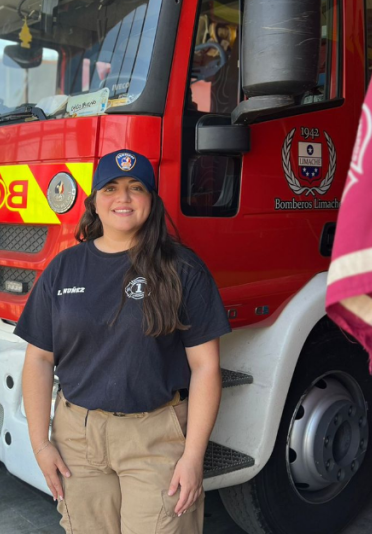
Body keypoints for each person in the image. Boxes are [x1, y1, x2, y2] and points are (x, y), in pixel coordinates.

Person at [16, 149, 231, 533]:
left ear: (152, 200)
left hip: (155, 437)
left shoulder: (182, 269)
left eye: (137, 188)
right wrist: (40, 443)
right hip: (77, 440)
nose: (124, 198)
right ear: (95, 202)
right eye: (111, 188)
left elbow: (206, 368)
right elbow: (39, 360)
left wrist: (194, 456)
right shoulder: (63, 268)